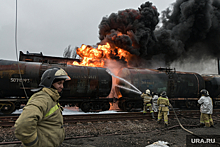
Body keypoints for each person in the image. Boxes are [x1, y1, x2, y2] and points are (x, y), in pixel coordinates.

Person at [14, 67, 71, 147]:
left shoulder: (51, 98)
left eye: (62, 83)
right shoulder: (42, 98)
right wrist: (33, 143)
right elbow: (23, 124)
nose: (62, 86)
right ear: (50, 83)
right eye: (59, 83)